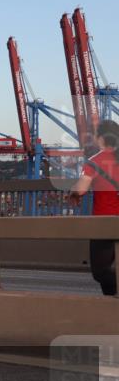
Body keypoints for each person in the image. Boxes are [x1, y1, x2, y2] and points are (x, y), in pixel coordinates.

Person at [68, 120, 119, 296]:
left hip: (103, 225)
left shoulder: (94, 162)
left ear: (100, 138)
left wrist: (73, 192)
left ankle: (111, 305)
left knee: (101, 271)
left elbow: (81, 189)